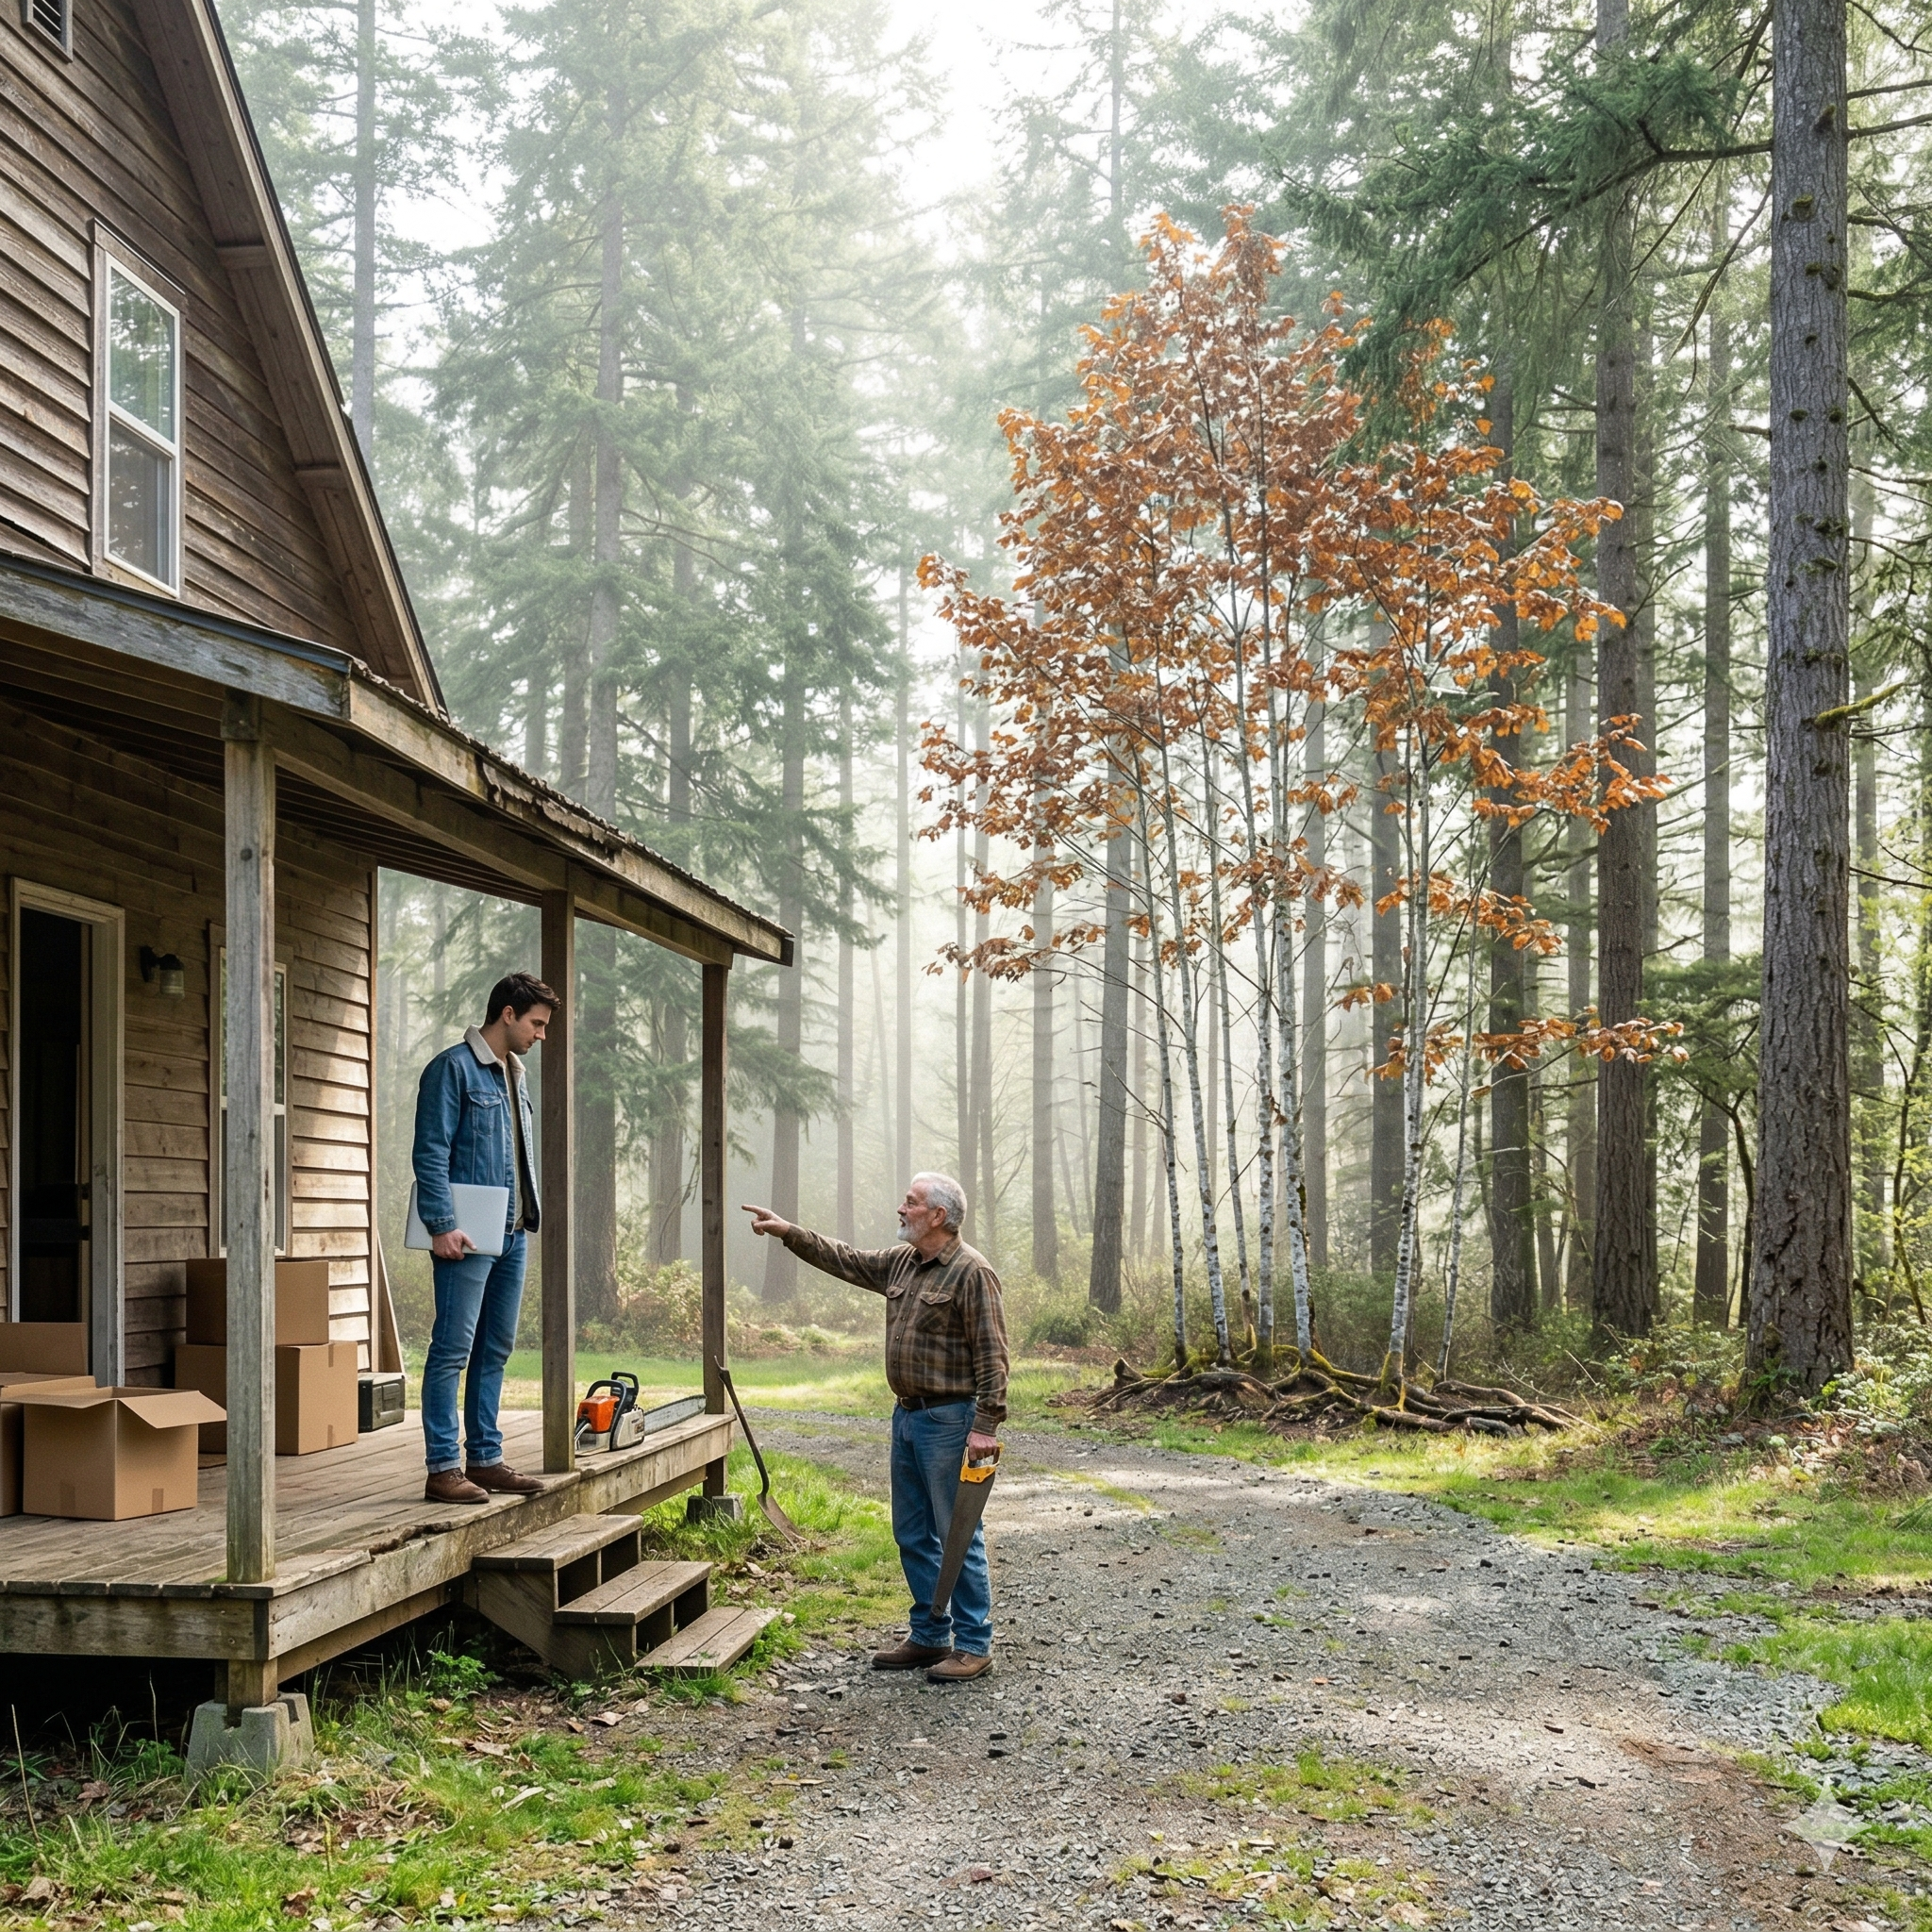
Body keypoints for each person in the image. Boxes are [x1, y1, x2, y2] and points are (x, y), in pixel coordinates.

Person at [741, 1174, 1008, 1683]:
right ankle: (931, 1635)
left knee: (958, 1533)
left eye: (912, 1201)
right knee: (911, 1532)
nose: (901, 1207)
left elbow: (994, 1356)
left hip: (952, 1421)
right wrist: (788, 1232)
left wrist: (986, 1425)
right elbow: (846, 1259)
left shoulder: (972, 1273)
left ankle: (974, 1644)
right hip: (906, 1416)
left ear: (938, 1216)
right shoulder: (902, 1262)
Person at [413, 972, 556, 1506]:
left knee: (495, 1348)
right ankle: (443, 1467)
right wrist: (441, 1224)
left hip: (513, 1234)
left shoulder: (514, 1076)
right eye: (537, 1024)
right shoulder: (451, 1069)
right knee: (452, 1350)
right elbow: (430, 1152)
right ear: (508, 1014)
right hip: (466, 1236)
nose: (541, 1035)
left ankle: (486, 1459)